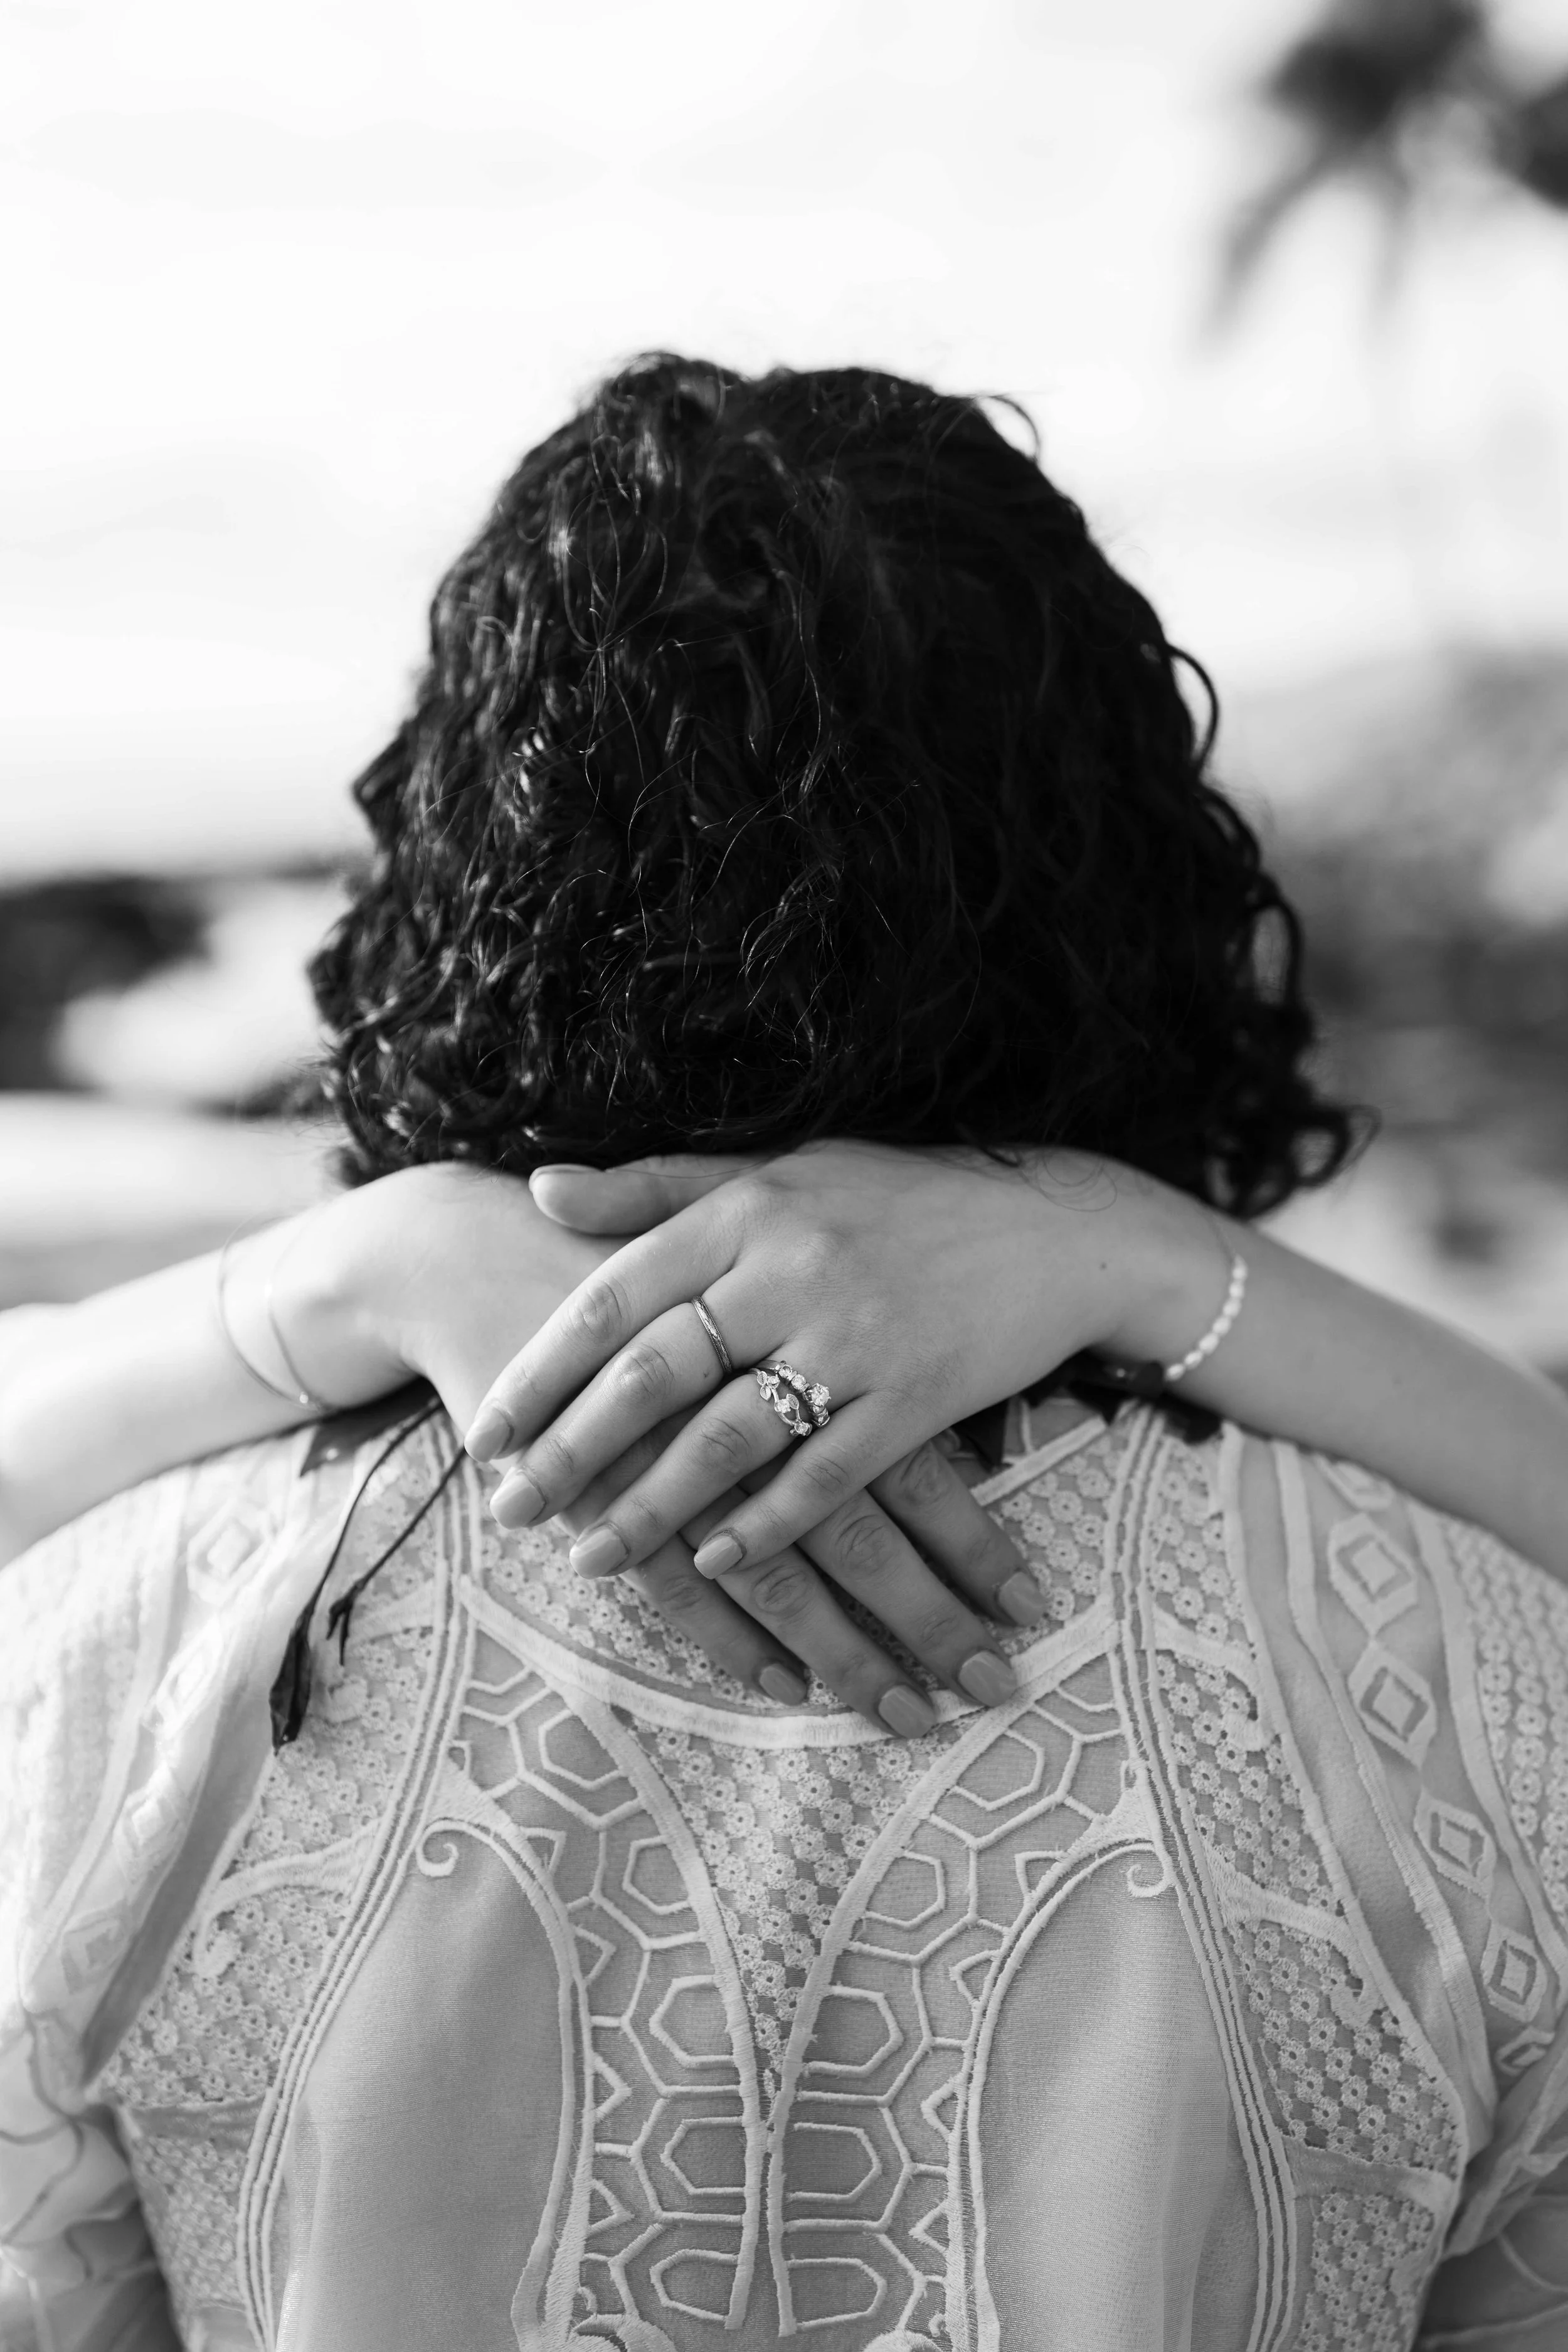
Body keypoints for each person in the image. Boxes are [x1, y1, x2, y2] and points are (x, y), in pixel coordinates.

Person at [4, 356, 1568, 2349]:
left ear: (459, 862)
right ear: (1136, 876)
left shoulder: (114, 1663)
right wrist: (1124, 1243)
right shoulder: (1470, 1672)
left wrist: (343, 1268)